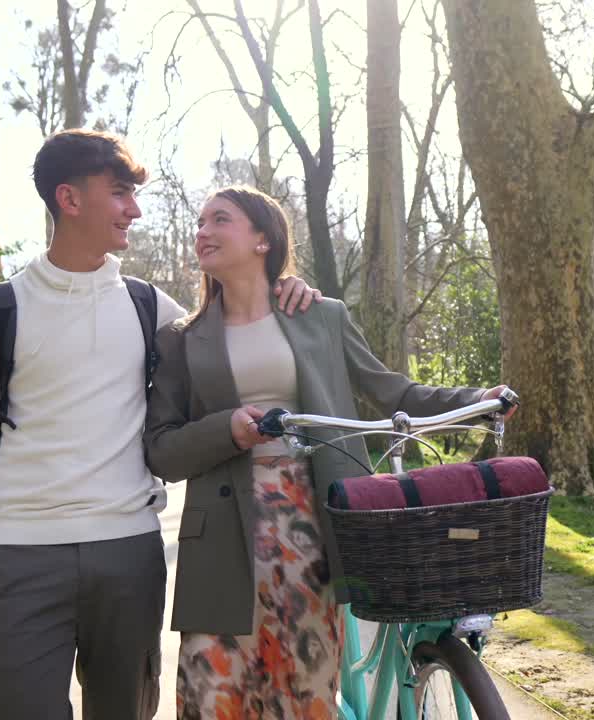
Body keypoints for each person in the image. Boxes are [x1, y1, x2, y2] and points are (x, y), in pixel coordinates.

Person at [0, 130, 320, 720]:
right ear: (69, 199)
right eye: (119, 193)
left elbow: (245, 337)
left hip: (130, 554)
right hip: (23, 555)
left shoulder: (151, 309)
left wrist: (283, 288)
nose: (133, 210)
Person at [144, 185, 513, 720]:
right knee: (214, 694)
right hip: (222, 540)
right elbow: (162, 451)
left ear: (263, 239)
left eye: (219, 219)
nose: (203, 231)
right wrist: (228, 430)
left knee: (303, 688)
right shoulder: (180, 339)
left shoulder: (320, 316)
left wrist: (475, 400)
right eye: (200, 222)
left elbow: (392, 391)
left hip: (311, 527)